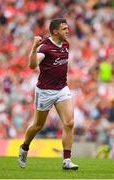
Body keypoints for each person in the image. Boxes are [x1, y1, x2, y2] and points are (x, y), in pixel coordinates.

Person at [18, 18, 79, 170]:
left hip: (62, 89)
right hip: (45, 91)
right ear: (55, 31)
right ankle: (25, 147)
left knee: (69, 123)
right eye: (64, 28)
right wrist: (34, 47)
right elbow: (32, 65)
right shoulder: (44, 48)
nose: (67, 31)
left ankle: (66, 160)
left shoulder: (66, 44)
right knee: (38, 125)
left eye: (67, 28)